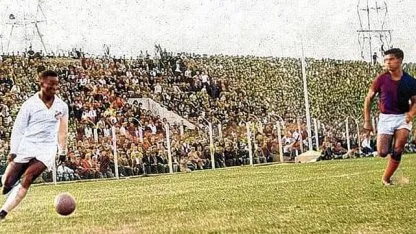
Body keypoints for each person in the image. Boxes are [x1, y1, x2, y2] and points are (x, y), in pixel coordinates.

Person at [0, 70, 68, 220]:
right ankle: (10, 181)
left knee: (28, 177)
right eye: (51, 83)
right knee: (7, 182)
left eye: (56, 84)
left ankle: (3, 212)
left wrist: (62, 151)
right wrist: (14, 150)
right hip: (27, 145)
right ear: (41, 83)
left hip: (47, 148)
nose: (54, 87)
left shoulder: (62, 106)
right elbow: (18, 129)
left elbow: (63, 130)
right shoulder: (29, 104)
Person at [363, 48, 416, 186]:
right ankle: (392, 158)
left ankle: (386, 178)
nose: (387, 63)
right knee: (382, 152)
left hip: (402, 118)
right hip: (385, 118)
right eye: (386, 60)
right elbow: (368, 98)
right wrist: (367, 121)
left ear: (400, 60)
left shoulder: (410, 81)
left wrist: (411, 113)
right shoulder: (381, 79)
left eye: (391, 59)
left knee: (398, 149)